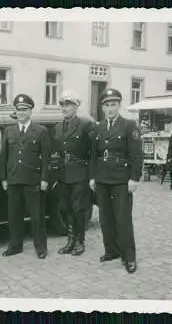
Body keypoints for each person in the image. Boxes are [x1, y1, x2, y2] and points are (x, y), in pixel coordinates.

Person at [89, 88, 143, 274]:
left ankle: (129, 257)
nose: (110, 109)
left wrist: (134, 178)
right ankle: (111, 250)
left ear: (119, 106)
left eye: (114, 105)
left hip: (121, 179)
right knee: (106, 217)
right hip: (102, 178)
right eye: (107, 105)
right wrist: (92, 176)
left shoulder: (129, 125)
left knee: (123, 218)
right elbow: (93, 155)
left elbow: (136, 154)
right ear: (102, 108)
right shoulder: (99, 127)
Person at [0, 93, 50, 259]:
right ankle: (15, 246)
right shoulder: (9, 131)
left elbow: (46, 158)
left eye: (25, 110)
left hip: (32, 180)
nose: (21, 113)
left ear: (30, 111)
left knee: (36, 216)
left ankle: (41, 247)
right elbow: (4, 157)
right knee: (14, 215)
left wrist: (44, 179)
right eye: (19, 110)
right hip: (14, 179)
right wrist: (4, 178)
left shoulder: (40, 131)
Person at [53, 90, 95, 256]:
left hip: (79, 172)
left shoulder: (85, 125)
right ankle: (70, 240)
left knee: (79, 209)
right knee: (65, 208)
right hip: (63, 173)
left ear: (76, 106)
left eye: (68, 105)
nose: (64, 108)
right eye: (62, 105)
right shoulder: (57, 127)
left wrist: (92, 175)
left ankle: (79, 241)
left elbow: (93, 152)